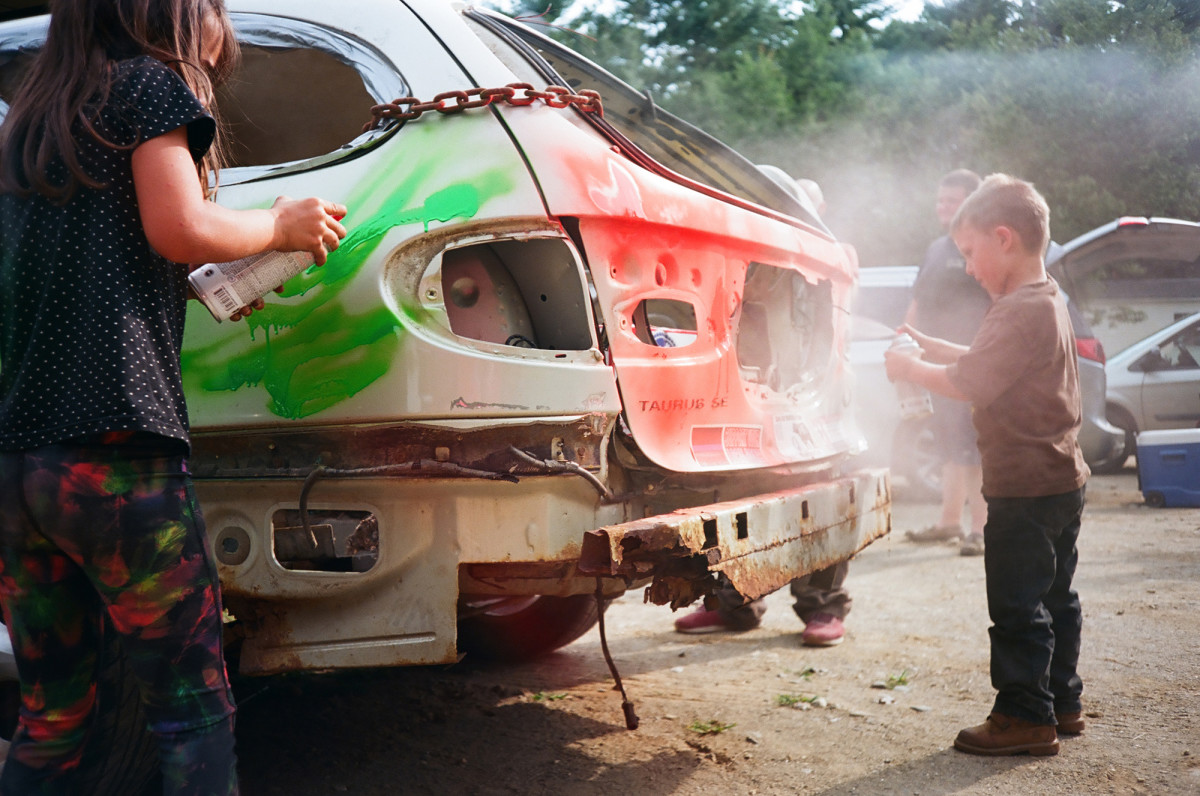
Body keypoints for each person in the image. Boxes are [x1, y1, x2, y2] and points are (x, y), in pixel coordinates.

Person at [0, 1, 346, 793]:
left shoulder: (28, 120)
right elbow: (179, 226)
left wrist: (194, 288)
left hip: (19, 465)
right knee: (191, 712)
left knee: (52, 717)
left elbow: (91, 262)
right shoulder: (151, 87)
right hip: (117, 458)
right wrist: (279, 225)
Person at [885, 174, 1088, 757]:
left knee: (1017, 605)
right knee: (1056, 597)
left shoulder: (1016, 309)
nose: (968, 268)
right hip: (1059, 480)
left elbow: (970, 381)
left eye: (970, 253)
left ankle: (1025, 716)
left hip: (1022, 489)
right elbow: (988, 361)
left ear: (1004, 240)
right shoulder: (1045, 298)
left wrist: (909, 369)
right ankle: (1062, 700)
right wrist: (929, 343)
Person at [673, 173, 850, 648]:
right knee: (737, 497)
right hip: (753, 394)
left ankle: (823, 607)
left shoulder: (825, 261)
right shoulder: (740, 252)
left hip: (814, 399)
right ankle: (734, 604)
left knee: (818, 501)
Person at [903, 169, 992, 556]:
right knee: (948, 441)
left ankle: (981, 528)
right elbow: (918, 299)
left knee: (972, 445)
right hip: (936, 361)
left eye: (951, 201)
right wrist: (904, 338)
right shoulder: (938, 247)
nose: (942, 207)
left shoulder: (982, 247)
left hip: (971, 360)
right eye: (940, 200)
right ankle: (949, 521)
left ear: (973, 203)